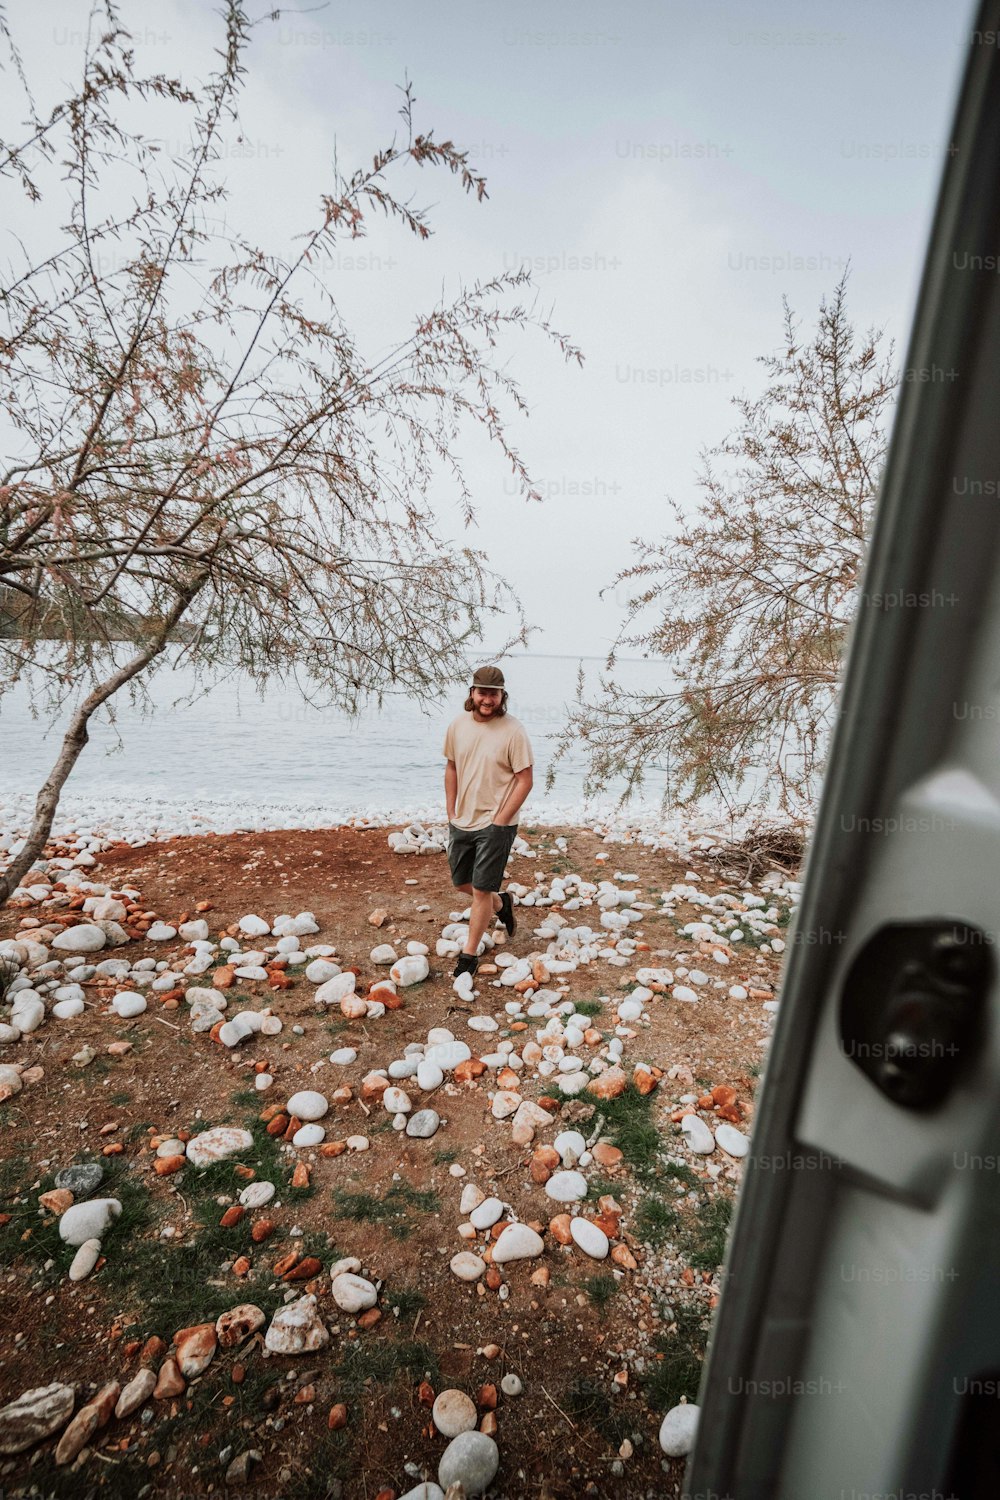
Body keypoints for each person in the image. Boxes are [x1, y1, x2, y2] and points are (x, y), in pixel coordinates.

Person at [442, 664, 534, 980]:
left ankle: (468, 957)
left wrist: (501, 819)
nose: (488, 699)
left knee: (481, 889)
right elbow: (452, 767)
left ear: (501, 695)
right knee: (461, 883)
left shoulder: (513, 731)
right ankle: (502, 904)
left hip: (496, 823)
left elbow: (525, 779)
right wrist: (450, 811)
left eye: (493, 694)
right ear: (472, 693)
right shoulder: (457, 726)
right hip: (462, 819)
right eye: (482, 692)